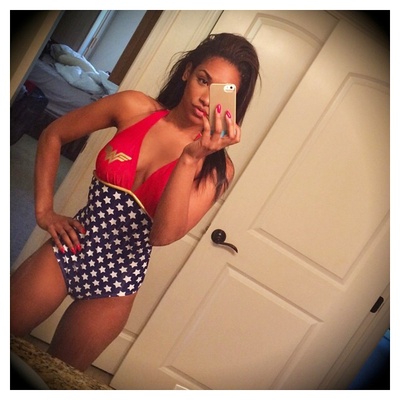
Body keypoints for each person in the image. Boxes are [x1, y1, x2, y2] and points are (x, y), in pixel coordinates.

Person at [10, 33, 260, 371]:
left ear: (231, 103)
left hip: (118, 284)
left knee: (56, 378)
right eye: (203, 80)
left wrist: (191, 158)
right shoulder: (133, 108)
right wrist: (44, 211)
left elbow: (162, 236)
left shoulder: (216, 168)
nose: (205, 98)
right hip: (71, 247)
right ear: (187, 72)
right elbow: (54, 135)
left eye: (220, 92)